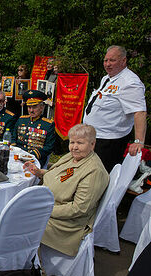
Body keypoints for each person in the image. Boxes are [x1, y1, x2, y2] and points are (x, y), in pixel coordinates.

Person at [24, 124, 109, 257]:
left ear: (92, 144)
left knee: (21, 221)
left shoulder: (93, 171)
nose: (74, 147)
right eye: (72, 142)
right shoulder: (74, 156)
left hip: (65, 224)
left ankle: (34, 268)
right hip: (48, 203)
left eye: (80, 143)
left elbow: (79, 209)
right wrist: (40, 172)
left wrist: (44, 210)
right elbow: (61, 176)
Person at [83, 45, 147, 172]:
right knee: (87, 173)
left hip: (109, 142)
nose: (107, 64)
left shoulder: (130, 82)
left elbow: (140, 112)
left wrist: (138, 141)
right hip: (94, 137)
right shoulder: (107, 78)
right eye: (106, 60)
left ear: (123, 61)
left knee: (100, 176)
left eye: (112, 60)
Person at [12, 90, 55, 167]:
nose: (31, 110)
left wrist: (33, 154)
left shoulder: (48, 124)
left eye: (34, 107)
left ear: (42, 107)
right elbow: (13, 137)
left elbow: (49, 147)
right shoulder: (21, 119)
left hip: (35, 159)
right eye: (29, 107)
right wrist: (15, 150)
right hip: (17, 156)